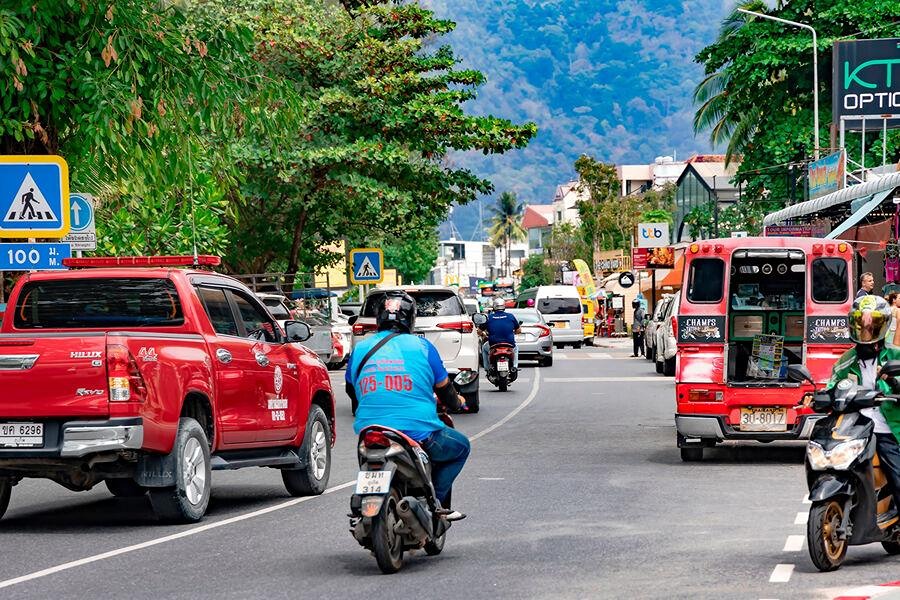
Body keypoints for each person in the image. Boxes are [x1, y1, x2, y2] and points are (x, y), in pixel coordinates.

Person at [346, 290, 469, 520]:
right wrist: (458, 402)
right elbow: (445, 390)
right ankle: (436, 506)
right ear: (410, 319)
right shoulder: (422, 347)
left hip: (370, 431)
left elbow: (351, 390)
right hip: (417, 431)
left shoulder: (360, 349)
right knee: (461, 447)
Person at [823, 295, 900, 512]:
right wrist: (818, 397)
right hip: (853, 426)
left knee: (898, 476)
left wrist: (893, 382)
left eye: (873, 326)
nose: (867, 331)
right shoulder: (846, 360)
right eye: (862, 325)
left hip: (886, 428)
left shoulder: (895, 356)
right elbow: (832, 384)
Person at [479, 297, 521, 371]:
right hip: (509, 344)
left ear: (494, 306)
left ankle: (487, 368)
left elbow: (479, 331)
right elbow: (518, 330)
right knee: (516, 348)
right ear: (504, 306)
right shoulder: (510, 316)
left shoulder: (488, 317)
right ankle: (514, 366)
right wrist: (512, 332)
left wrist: (483, 334)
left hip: (493, 344)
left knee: (484, 348)